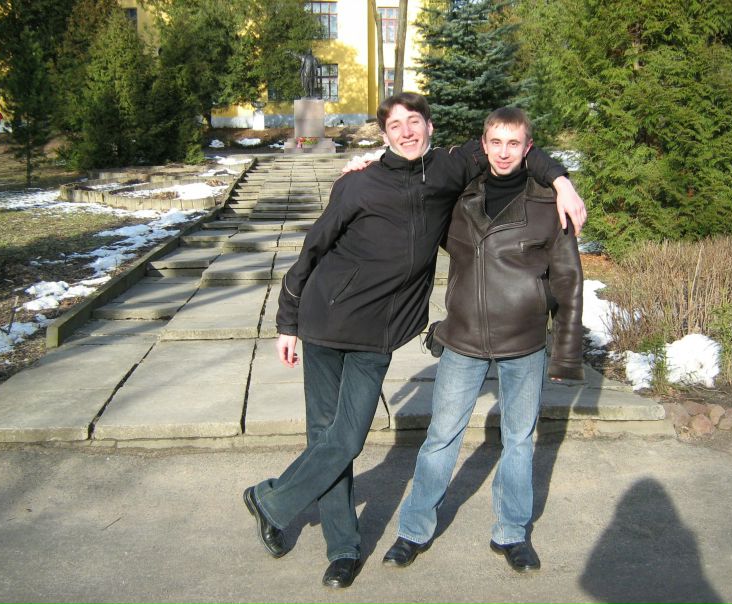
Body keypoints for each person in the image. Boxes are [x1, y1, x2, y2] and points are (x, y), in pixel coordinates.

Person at [242, 93, 585, 590]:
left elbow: (517, 147)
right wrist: (287, 320)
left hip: (383, 333)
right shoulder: (364, 185)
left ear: (430, 127)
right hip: (329, 320)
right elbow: (313, 248)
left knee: (346, 439)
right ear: (383, 135)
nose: (406, 131)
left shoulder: (450, 172)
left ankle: (270, 500)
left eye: (414, 122)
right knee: (329, 438)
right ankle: (343, 547)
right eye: (395, 125)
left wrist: (562, 181)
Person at [382, 107, 584, 573]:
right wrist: (364, 165)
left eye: (514, 143)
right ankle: (413, 529)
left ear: (528, 149)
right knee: (440, 437)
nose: (504, 152)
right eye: (496, 142)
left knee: (519, 441)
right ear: (484, 144)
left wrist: (566, 354)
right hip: (464, 339)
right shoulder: (460, 197)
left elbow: (569, 283)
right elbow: (409, 186)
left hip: (524, 342)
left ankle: (512, 532)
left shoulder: (549, 205)